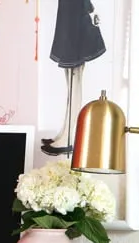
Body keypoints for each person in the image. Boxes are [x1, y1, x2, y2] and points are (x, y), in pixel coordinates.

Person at [41, 0, 106, 155]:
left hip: (75, 26)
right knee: (72, 84)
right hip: (72, 21)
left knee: (74, 83)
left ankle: (69, 139)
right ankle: (65, 134)